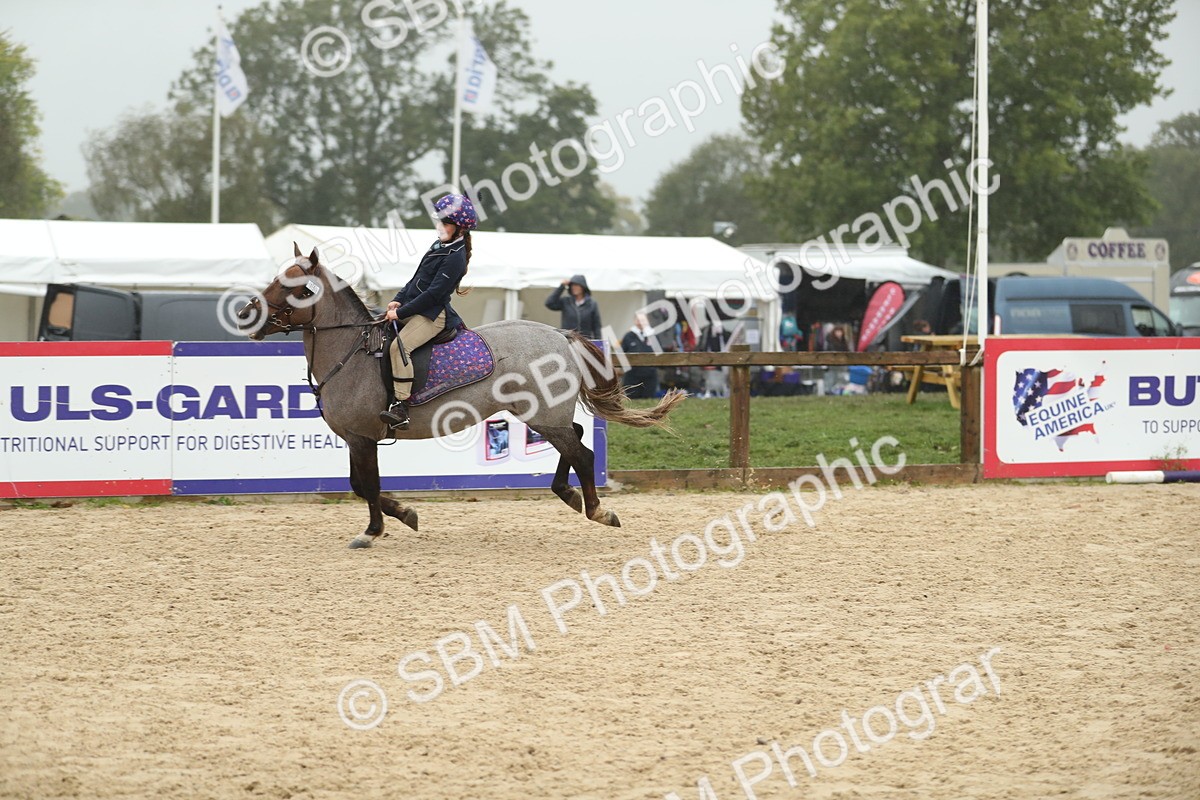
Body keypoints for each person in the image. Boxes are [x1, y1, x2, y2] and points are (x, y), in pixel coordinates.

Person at [379, 194, 477, 430]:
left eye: (445, 222)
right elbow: (416, 280)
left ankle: (401, 406)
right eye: (440, 221)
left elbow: (433, 294)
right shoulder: (439, 246)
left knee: (399, 347)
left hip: (432, 315)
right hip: (416, 308)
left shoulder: (456, 257)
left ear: (460, 229)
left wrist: (401, 314)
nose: (439, 226)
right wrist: (397, 301)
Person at [620, 312, 659, 399]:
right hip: (632, 376)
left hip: (650, 376)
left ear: (647, 321)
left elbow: (660, 354)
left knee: (648, 401)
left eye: (643, 320)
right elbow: (621, 355)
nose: (640, 322)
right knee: (633, 402)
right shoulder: (628, 336)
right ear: (634, 321)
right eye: (638, 320)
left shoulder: (653, 336)